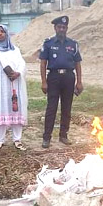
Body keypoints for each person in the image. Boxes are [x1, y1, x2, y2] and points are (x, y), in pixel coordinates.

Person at [39, 15, 83, 149]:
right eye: (59, 27)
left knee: (66, 108)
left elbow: (78, 63)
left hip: (69, 78)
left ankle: (63, 135)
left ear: (67, 28)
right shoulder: (48, 43)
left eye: (64, 27)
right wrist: (44, 82)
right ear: (55, 28)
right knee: (51, 108)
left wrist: (79, 82)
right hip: (54, 78)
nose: (62, 29)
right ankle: (47, 137)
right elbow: (43, 63)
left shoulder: (73, 44)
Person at [0, 24, 28, 150]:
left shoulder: (15, 50)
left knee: (15, 108)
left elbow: (21, 63)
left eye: (3, 31)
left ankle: (17, 139)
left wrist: (18, 72)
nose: (0, 34)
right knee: (0, 107)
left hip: (14, 82)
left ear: (7, 34)